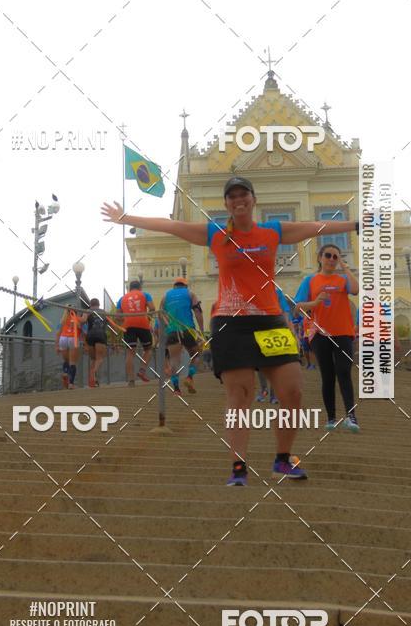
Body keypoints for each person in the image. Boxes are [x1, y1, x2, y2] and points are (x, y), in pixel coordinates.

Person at [102, 177, 359, 485]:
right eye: (232, 196)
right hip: (231, 322)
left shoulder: (273, 231)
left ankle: (282, 459)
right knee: (240, 395)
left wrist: (355, 224)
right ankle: (238, 466)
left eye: (244, 194)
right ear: (226, 204)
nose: (238, 200)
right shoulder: (216, 234)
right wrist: (125, 218)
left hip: (270, 321)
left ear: (253, 199)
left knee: (292, 390)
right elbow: (172, 227)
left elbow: (316, 226)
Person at [294, 243, 360, 432]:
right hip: (320, 335)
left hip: (343, 333)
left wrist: (345, 267)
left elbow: (355, 290)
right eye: (328, 255)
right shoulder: (310, 280)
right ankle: (331, 418)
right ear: (320, 258)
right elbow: (298, 307)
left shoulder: (342, 280)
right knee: (328, 376)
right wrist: (315, 302)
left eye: (335, 256)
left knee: (344, 373)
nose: (331, 259)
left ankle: (351, 417)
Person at [160, 277, 204, 396]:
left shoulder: (165, 296)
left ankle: (176, 389)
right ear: (185, 286)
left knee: (174, 360)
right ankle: (189, 377)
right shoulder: (190, 294)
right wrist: (202, 331)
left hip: (172, 331)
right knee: (196, 355)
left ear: (174, 286)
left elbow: (160, 316)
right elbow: (198, 312)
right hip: (187, 329)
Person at [116, 280, 155, 386]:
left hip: (128, 326)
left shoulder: (122, 299)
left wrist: (124, 319)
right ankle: (142, 370)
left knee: (130, 353)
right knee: (148, 349)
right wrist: (148, 317)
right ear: (140, 288)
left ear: (129, 288)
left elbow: (118, 317)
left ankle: (131, 380)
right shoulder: (145, 295)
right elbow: (152, 308)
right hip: (143, 324)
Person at [82, 298, 109, 387]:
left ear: (90, 304)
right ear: (99, 304)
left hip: (90, 335)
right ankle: (93, 373)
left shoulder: (88, 311)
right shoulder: (104, 312)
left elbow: (83, 321)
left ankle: (94, 380)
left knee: (93, 359)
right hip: (101, 334)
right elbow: (111, 324)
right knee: (100, 358)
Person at [56, 306, 85, 389]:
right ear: (77, 312)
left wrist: (57, 346)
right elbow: (83, 332)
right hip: (73, 338)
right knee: (72, 362)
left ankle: (65, 372)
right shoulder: (78, 319)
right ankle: (71, 384)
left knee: (66, 360)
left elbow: (58, 333)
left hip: (63, 338)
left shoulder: (63, 320)